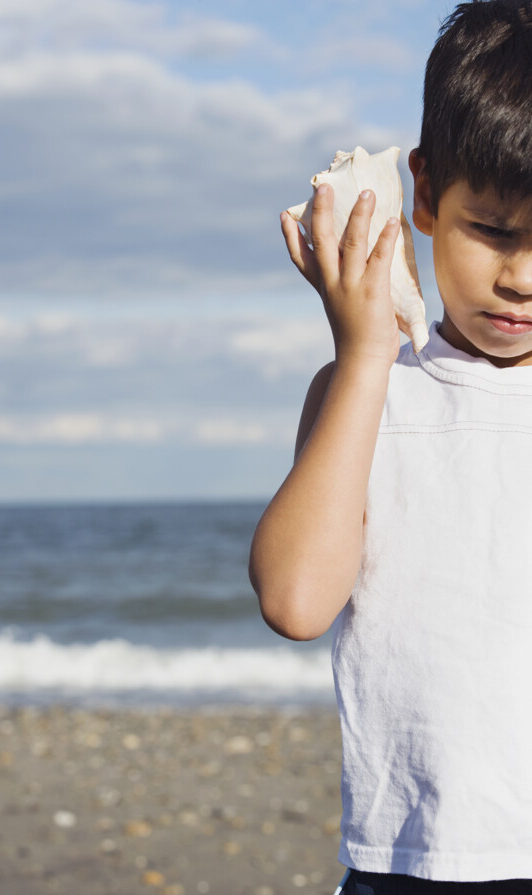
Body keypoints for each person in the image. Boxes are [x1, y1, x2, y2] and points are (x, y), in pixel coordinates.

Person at [248, 2, 532, 892]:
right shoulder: (370, 394)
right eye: (493, 229)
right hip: (408, 863)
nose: (522, 275)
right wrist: (364, 354)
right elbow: (296, 600)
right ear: (424, 194)